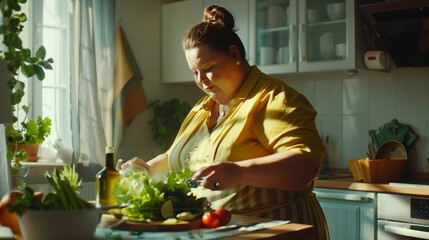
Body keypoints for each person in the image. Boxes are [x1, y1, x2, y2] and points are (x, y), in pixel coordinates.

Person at [122, 4, 329, 239]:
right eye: (194, 72)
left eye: (208, 68)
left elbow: (304, 165)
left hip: (276, 231)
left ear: (234, 54)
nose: (201, 81)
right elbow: (175, 157)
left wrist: (239, 172)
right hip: (222, 232)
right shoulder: (203, 107)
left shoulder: (273, 99)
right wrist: (147, 168)